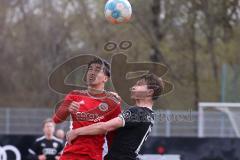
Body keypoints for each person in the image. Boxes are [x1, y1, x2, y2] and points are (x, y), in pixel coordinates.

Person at [66, 74, 172, 160]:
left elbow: (104, 127)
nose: (134, 87)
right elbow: (123, 126)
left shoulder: (137, 112)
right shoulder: (148, 114)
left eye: (140, 85)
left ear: (149, 92)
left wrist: (77, 132)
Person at [52, 58, 121, 160]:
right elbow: (56, 119)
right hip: (70, 154)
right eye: (90, 69)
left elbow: (113, 133)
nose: (92, 73)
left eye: (97, 70)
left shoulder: (112, 102)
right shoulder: (74, 95)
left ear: (105, 78)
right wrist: (67, 109)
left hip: (95, 155)